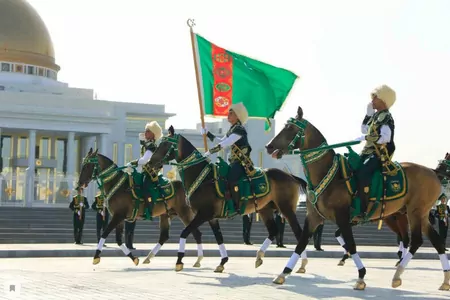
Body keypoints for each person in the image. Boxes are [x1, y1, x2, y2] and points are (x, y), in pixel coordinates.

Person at [353, 85, 396, 222]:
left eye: (375, 97)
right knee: (351, 168)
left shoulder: (386, 117)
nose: (372, 100)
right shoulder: (376, 116)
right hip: (368, 151)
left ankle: (363, 209)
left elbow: (385, 138)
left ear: (383, 100)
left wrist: (367, 138)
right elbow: (364, 129)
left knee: (364, 172)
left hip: (380, 153)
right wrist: (368, 114)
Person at [201, 102, 252, 214]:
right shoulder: (232, 129)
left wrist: (210, 152)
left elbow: (226, 143)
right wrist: (208, 133)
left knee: (231, 178)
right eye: (229, 113)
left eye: (231, 113)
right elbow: (221, 141)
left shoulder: (239, 129)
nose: (228, 115)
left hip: (241, 163)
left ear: (237, 116)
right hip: (233, 162)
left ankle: (236, 206)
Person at [126, 121, 162, 220]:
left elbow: (145, 160)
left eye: (147, 131)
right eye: (145, 131)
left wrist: (133, 163)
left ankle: (149, 211)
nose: (145, 133)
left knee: (146, 188)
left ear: (153, 134)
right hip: (145, 172)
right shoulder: (148, 144)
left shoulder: (151, 146)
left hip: (151, 174)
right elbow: (141, 138)